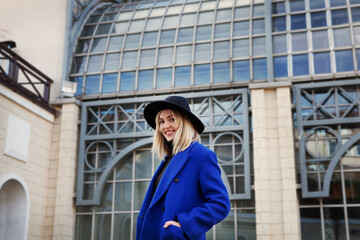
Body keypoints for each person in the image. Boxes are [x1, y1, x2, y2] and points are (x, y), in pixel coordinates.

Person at [136, 95, 230, 240]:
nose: (165, 126)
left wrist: (183, 224)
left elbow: (220, 204)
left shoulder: (201, 155)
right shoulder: (168, 159)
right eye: (161, 121)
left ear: (184, 122)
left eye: (171, 119)